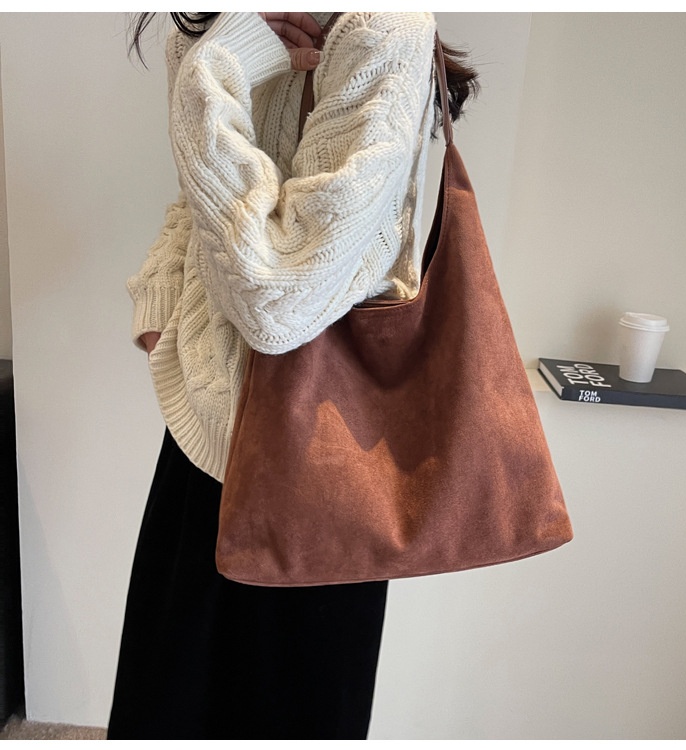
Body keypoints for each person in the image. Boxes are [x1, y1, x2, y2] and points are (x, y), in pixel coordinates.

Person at [108, 12, 478, 740]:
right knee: (162, 710)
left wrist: (215, 73)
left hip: (328, 459)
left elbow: (280, 303)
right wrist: (159, 302)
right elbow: (198, 201)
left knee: (288, 715)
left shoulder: (383, 29)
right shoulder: (211, 27)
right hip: (203, 435)